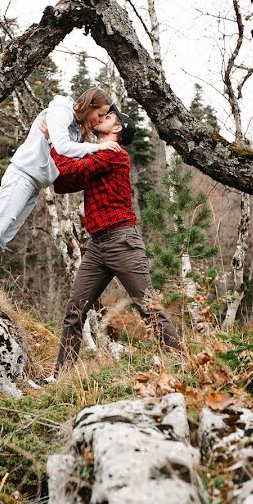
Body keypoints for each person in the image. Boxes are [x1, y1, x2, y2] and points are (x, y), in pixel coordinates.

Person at [40, 105, 183, 380]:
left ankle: (184, 366)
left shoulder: (113, 155)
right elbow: (63, 182)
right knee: (74, 311)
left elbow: (69, 169)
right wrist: (58, 145)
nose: (100, 118)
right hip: (97, 247)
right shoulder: (97, 154)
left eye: (107, 117)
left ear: (117, 129)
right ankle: (60, 377)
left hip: (122, 241)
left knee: (149, 308)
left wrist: (55, 139)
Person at [0, 88, 121, 311]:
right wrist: (98, 147)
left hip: (35, 182)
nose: (98, 121)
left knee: (3, 237)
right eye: (99, 114)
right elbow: (63, 147)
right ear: (90, 106)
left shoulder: (76, 127)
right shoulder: (61, 112)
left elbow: (65, 158)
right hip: (22, 174)